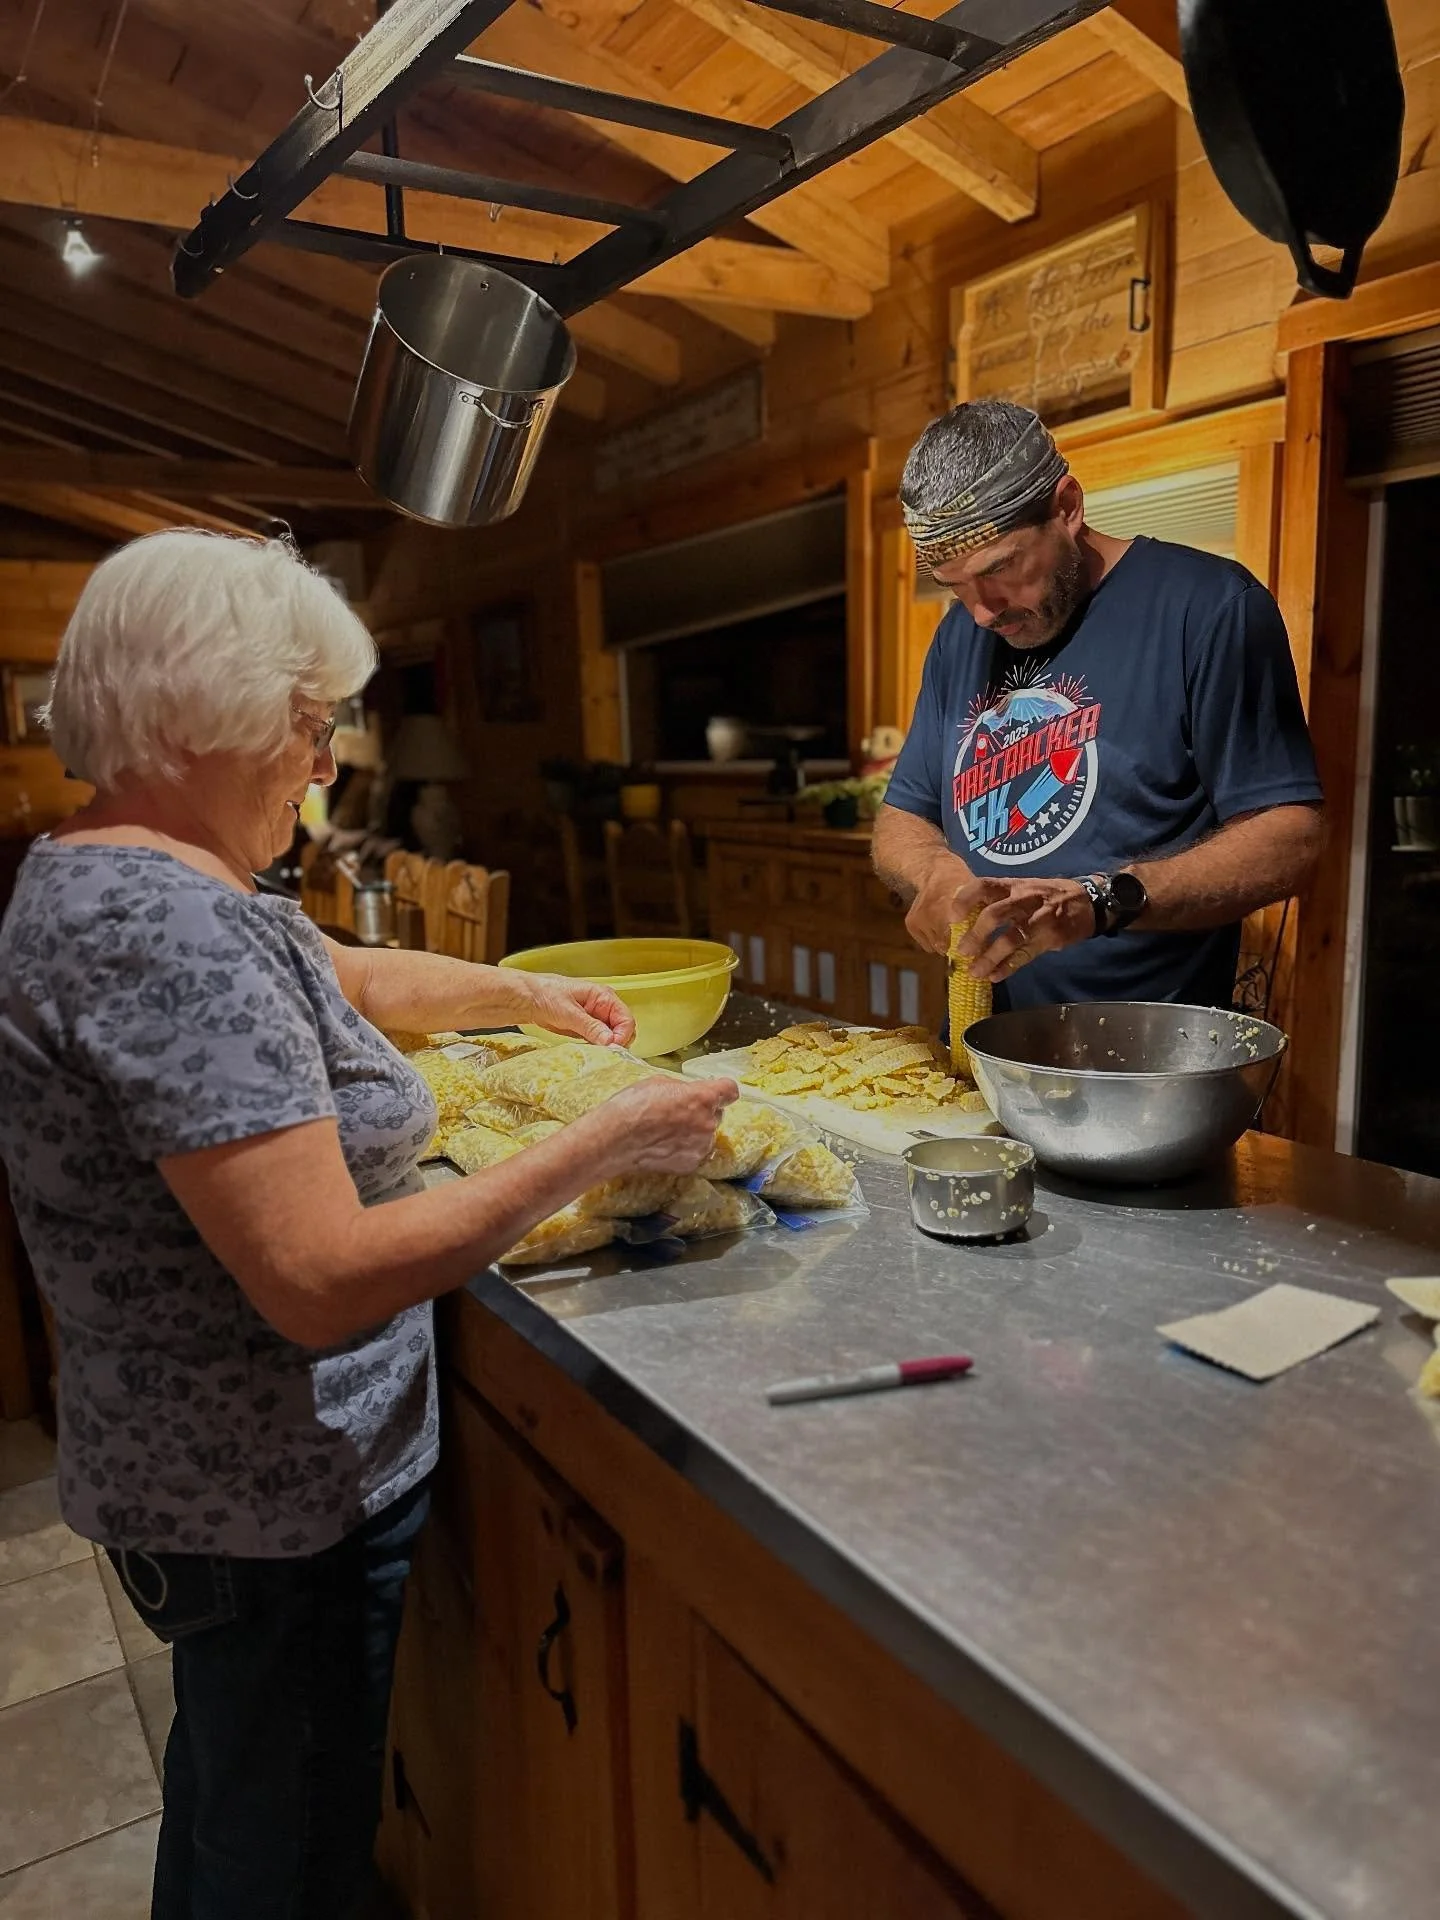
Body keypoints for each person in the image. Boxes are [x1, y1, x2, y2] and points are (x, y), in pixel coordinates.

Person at [0, 529, 737, 1920]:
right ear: (196, 711)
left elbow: (332, 968)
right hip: (262, 1503)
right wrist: (605, 1143)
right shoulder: (163, 928)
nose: (326, 759)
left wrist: (520, 996)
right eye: (305, 721)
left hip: (198, 1481)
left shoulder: (126, 868)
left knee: (232, 1807)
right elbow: (321, 1282)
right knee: (283, 1867)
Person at [871, 399, 1324, 1009]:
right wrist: (933, 872)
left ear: (1067, 507)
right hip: (991, 1048)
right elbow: (902, 817)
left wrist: (1102, 901)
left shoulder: (1209, 607)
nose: (983, 609)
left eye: (1001, 569)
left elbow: (1290, 836)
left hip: (1149, 1054)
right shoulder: (961, 636)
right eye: (954, 586)